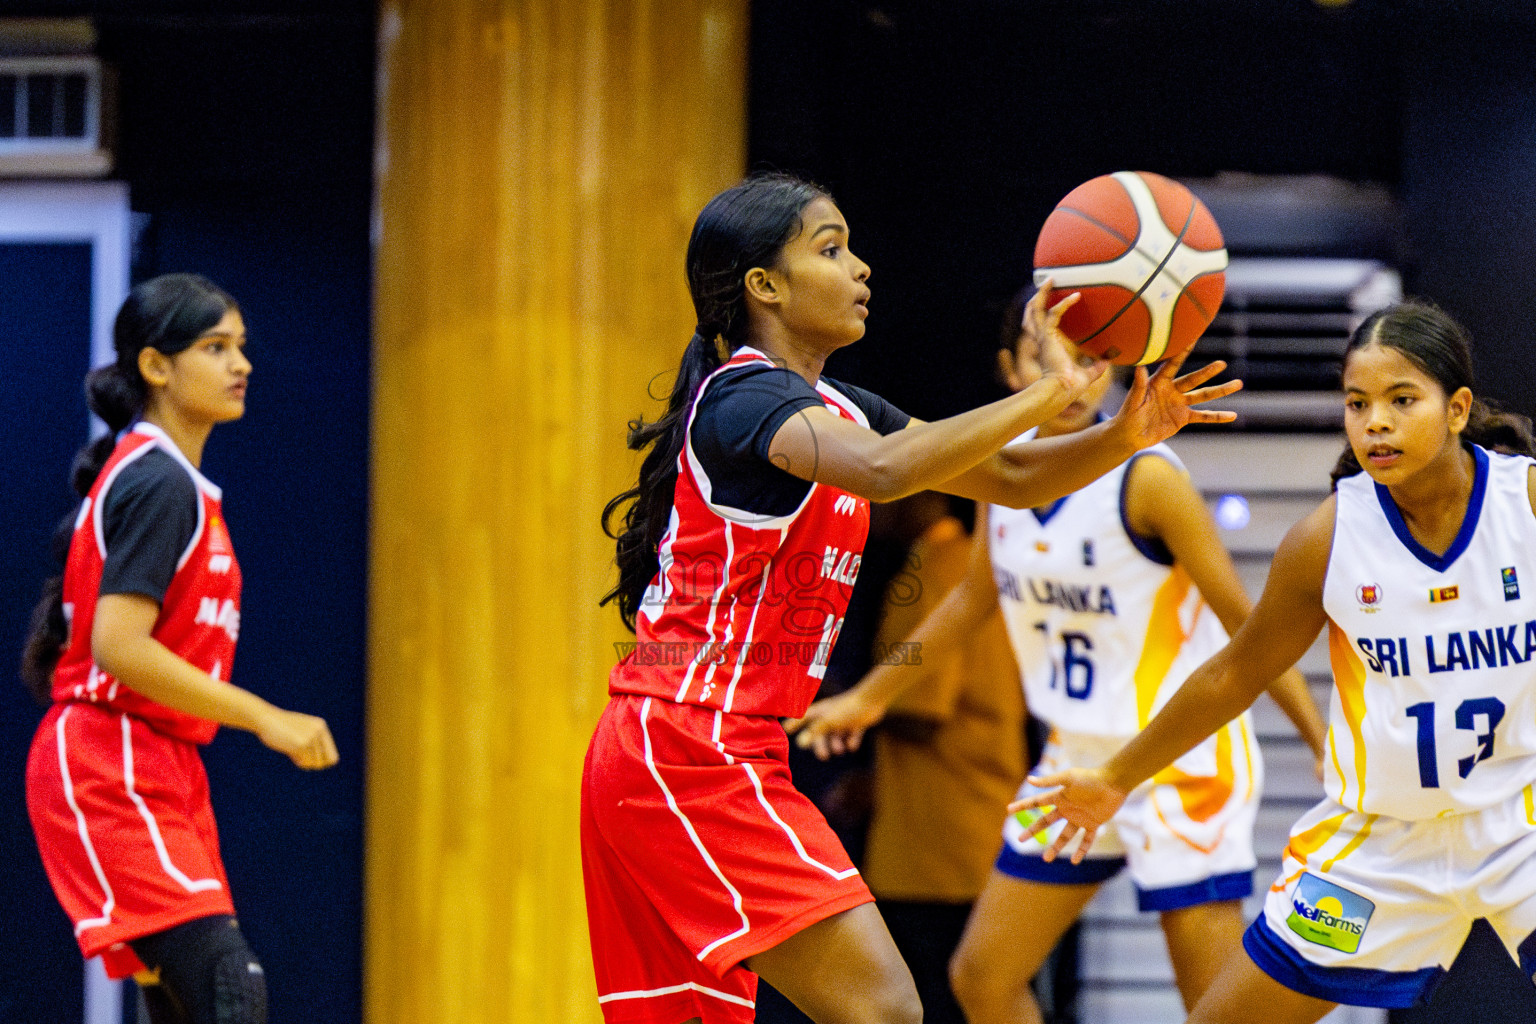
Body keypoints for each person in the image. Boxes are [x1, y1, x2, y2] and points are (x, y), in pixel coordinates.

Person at [583, 171, 1242, 1024]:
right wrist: (1052, 391)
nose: (861, 268)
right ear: (764, 287)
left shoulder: (839, 404)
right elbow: (887, 471)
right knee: (887, 1008)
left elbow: (1005, 475)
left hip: (697, 750)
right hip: (685, 746)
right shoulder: (744, 394)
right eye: (831, 249)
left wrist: (1123, 433)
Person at [793, 289, 1328, 1023]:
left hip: (1180, 761)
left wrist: (1323, 741)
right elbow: (974, 599)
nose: (1077, 377)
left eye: (1094, 359)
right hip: (1074, 759)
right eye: (1054, 356)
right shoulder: (1000, 474)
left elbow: (1251, 625)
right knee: (982, 977)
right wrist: (871, 697)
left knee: (1211, 1008)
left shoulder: (1148, 477)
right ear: (1013, 366)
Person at [1012, 301, 1536, 1022]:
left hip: (1521, 825)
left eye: (1401, 400)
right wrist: (1113, 777)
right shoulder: (1328, 537)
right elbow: (1235, 672)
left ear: (1457, 409)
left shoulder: (1525, 505)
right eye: (1358, 404)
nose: (1375, 422)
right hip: (1381, 846)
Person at [21, 273, 339, 1024]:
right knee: (231, 987)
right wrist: (266, 716)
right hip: (109, 757)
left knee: (187, 1003)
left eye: (241, 347)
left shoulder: (167, 478)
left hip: (159, 758)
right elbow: (118, 646)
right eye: (214, 346)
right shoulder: (160, 480)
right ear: (156, 367)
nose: (243, 364)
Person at [859, 491, 1027, 1024]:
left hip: (938, 849)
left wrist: (847, 705)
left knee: (940, 1000)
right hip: (973, 829)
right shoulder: (972, 562)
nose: (865, 504)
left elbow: (922, 707)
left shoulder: (940, 566)